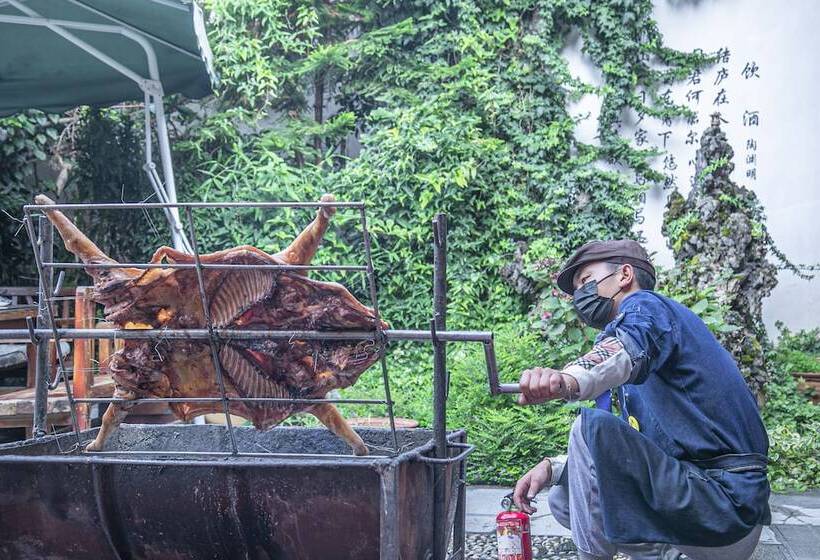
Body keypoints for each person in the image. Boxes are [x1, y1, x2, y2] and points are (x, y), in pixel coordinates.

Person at [512, 240, 770, 560]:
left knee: (589, 428)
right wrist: (553, 468)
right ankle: (666, 556)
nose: (579, 295)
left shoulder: (647, 308)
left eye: (586, 281)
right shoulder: (643, 368)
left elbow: (624, 347)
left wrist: (567, 379)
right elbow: (631, 454)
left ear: (624, 275)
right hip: (705, 504)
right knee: (564, 498)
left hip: (725, 505)